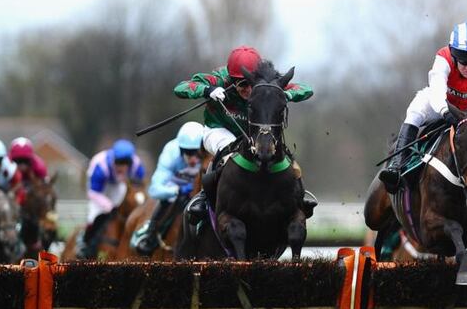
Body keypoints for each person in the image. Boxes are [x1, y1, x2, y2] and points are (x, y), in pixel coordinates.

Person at [378, 21, 467, 217]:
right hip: (442, 103)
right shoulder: (443, 58)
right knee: (414, 111)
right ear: (453, 53)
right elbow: (436, 93)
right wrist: (446, 112)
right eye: (463, 60)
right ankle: (397, 166)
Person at [173, 45, 318, 223]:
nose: (248, 89)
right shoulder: (218, 79)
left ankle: (298, 195)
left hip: (252, 132)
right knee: (227, 153)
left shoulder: (267, 81)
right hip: (218, 129)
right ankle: (204, 198)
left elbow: (306, 89)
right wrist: (207, 90)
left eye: (251, 83)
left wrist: (283, 94)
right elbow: (181, 87)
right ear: (231, 79)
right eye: (242, 84)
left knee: (279, 151)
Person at [130, 122, 204, 255]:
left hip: (200, 187)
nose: (193, 159)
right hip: (177, 186)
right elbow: (154, 189)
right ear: (180, 149)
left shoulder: (209, 149)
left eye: (197, 153)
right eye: (188, 153)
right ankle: (150, 235)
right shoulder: (171, 152)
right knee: (170, 198)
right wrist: (176, 191)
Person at [78, 139, 146, 259]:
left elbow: (139, 186)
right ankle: (84, 243)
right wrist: (108, 205)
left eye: (124, 164)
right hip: (100, 189)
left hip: (119, 185)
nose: (121, 167)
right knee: (95, 216)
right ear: (113, 160)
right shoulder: (101, 166)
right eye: (118, 163)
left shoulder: (137, 166)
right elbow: (93, 193)